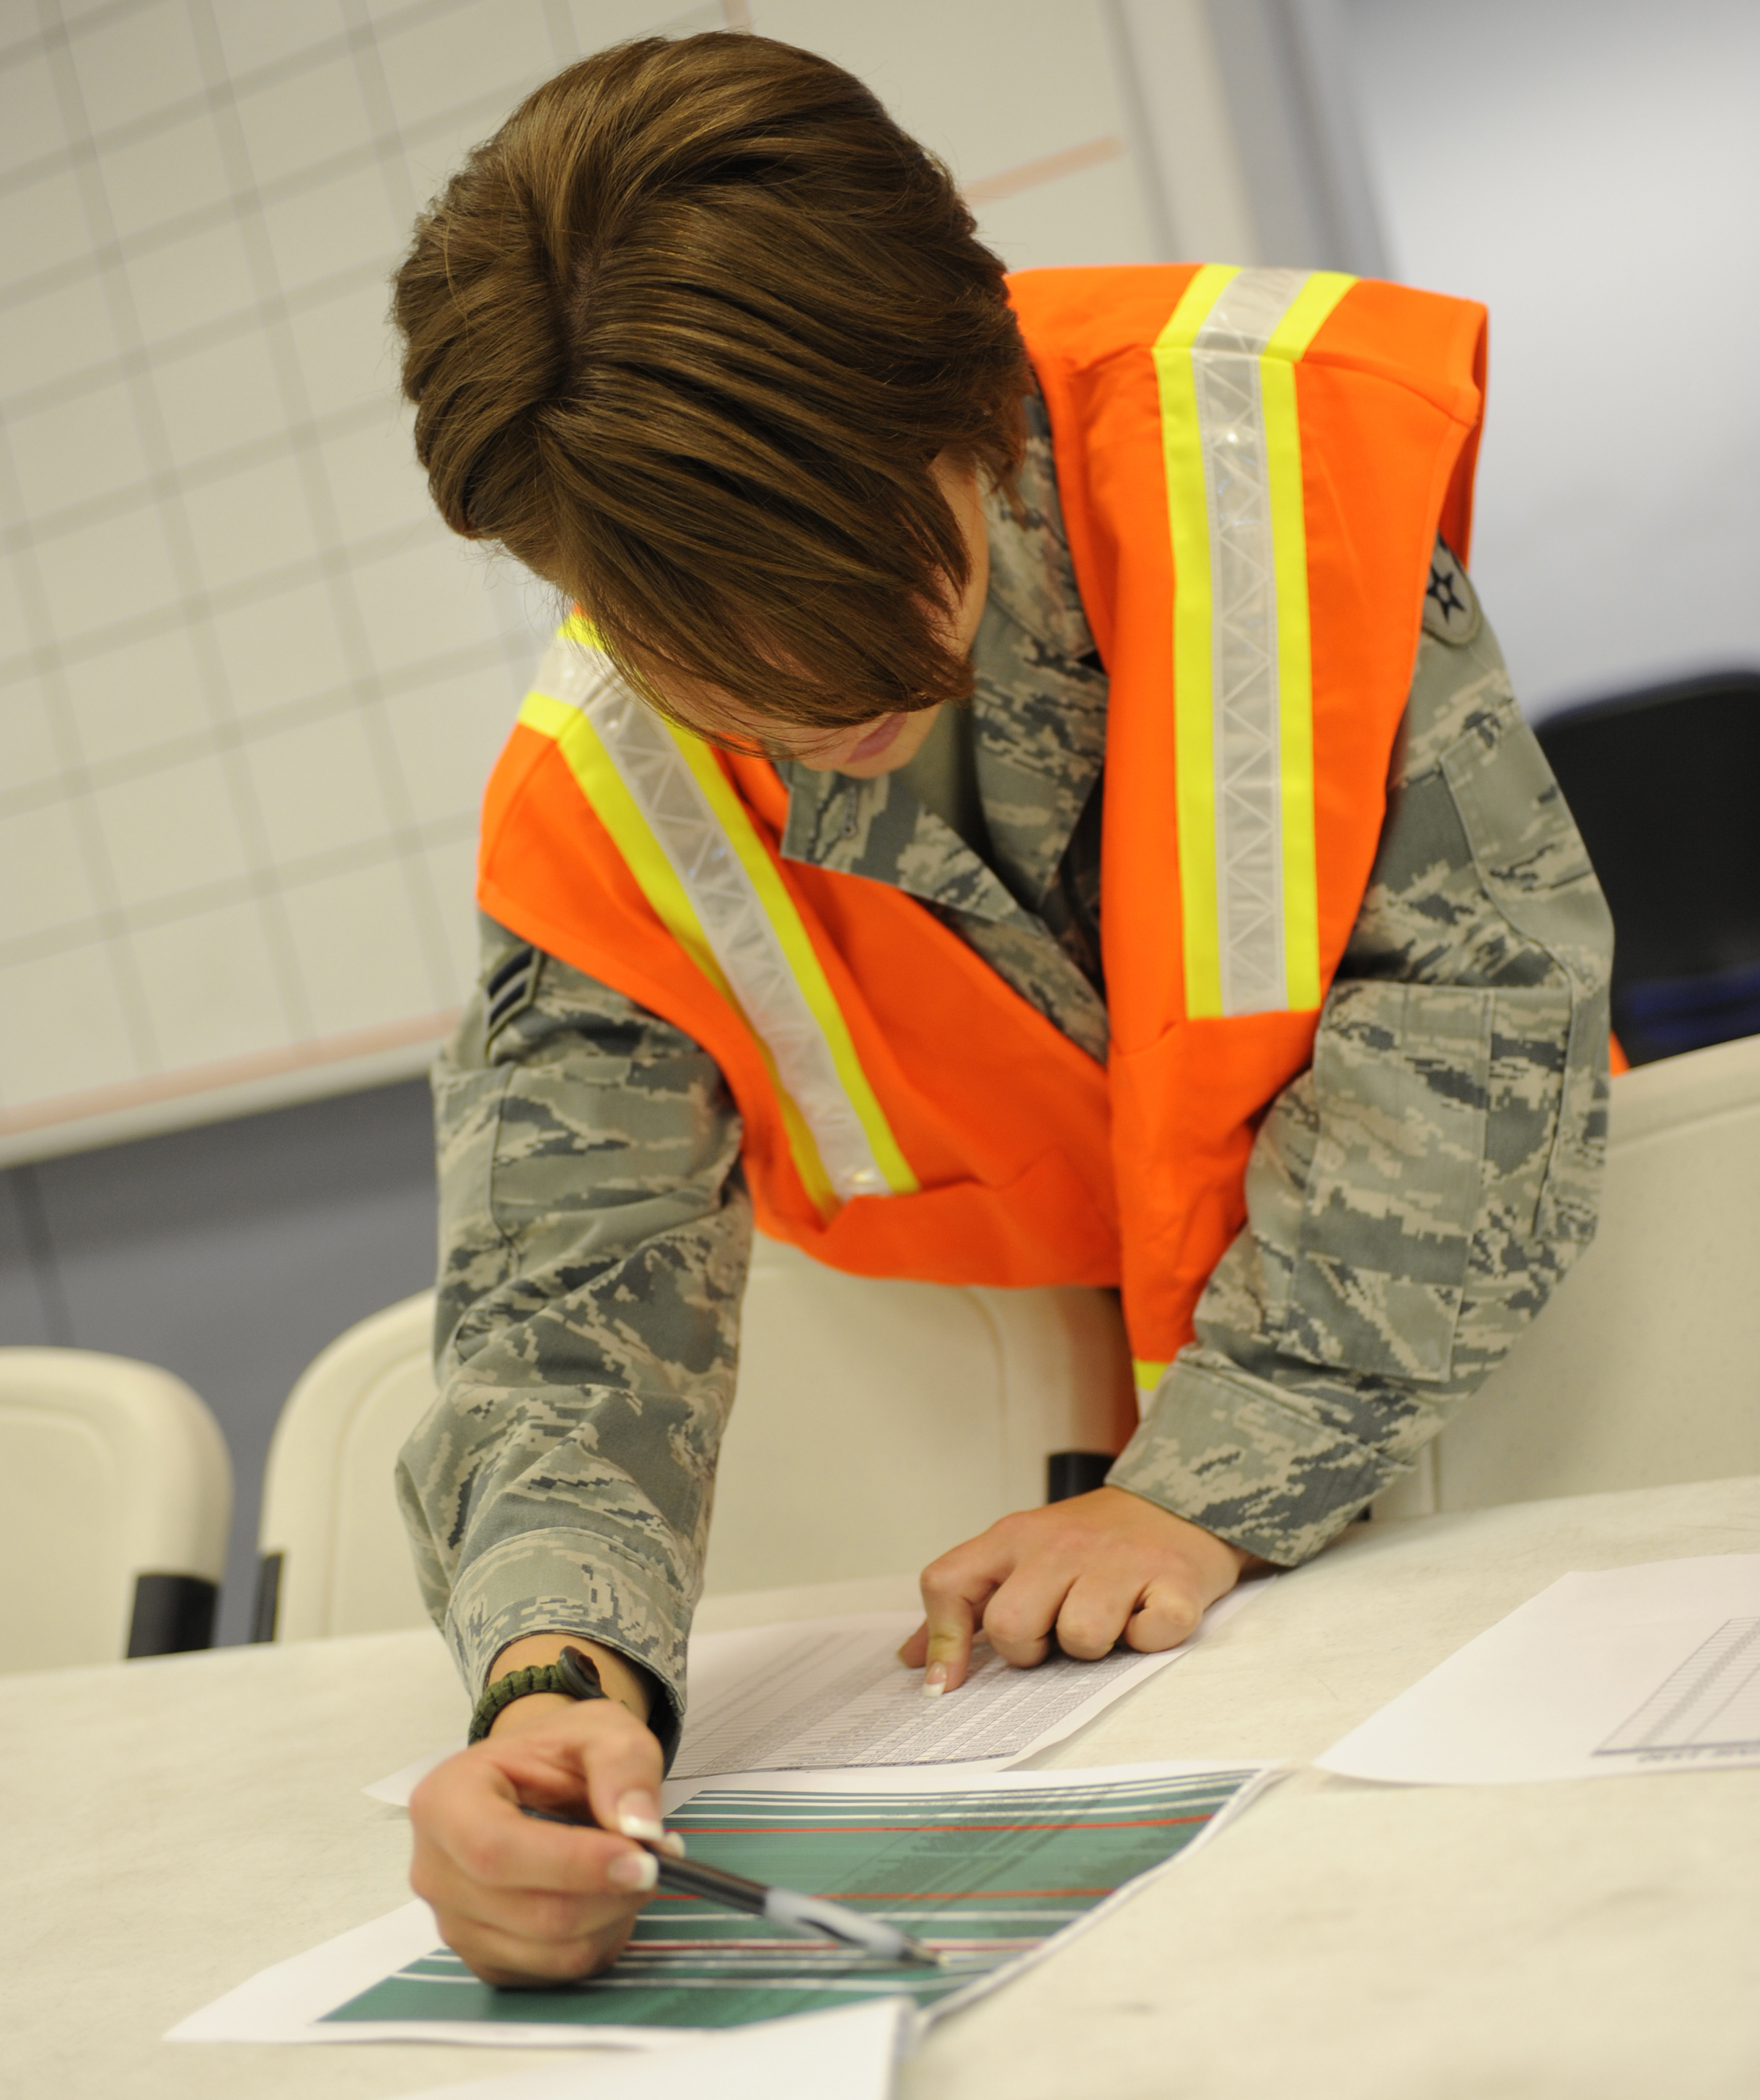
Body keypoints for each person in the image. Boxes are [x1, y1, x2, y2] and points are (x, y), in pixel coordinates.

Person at [387, 32, 1611, 1989]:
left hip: (1523, 1408)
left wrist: (1203, 1481)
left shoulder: (1256, 470)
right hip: (1110, 1590)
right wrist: (555, 1677)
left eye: (865, 583)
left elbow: (1472, 1005)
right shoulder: (601, 788)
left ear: (979, 397)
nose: (791, 692)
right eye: (699, 649)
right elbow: (565, 1295)